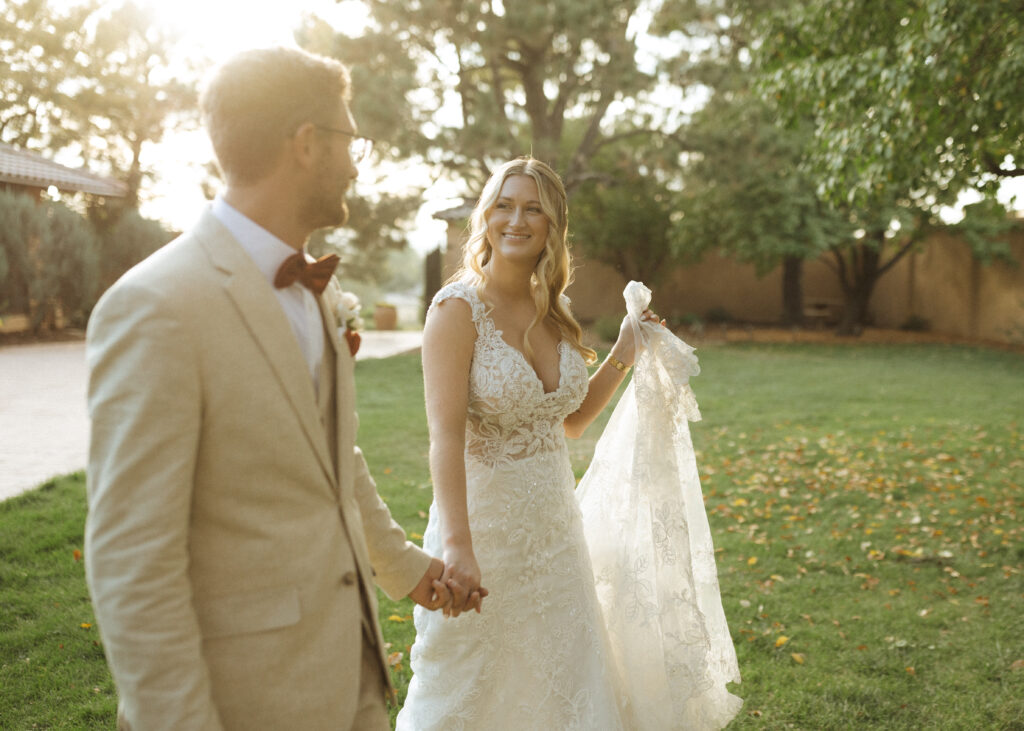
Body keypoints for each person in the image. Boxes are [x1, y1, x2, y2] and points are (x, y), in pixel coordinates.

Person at [84, 47, 451, 730]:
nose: (356, 161)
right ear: (306, 143)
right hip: (248, 700)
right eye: (350, 140)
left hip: (354, 680)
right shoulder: (156, 307)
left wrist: (405, 568)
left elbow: (331, 455)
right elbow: (131, 562)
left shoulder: (322, 290)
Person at [397, 157, 665, 729]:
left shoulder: (553, 310)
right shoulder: (456, 311)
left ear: (552, 226)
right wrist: (458, 545)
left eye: (533, 209)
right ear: (486, 217)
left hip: (555, 531)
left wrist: (624, 349)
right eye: (504, 205)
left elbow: (567, 422)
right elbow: (444, 439)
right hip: (482, 530)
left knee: (562, 679)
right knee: (471, 683)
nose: (516, 220)